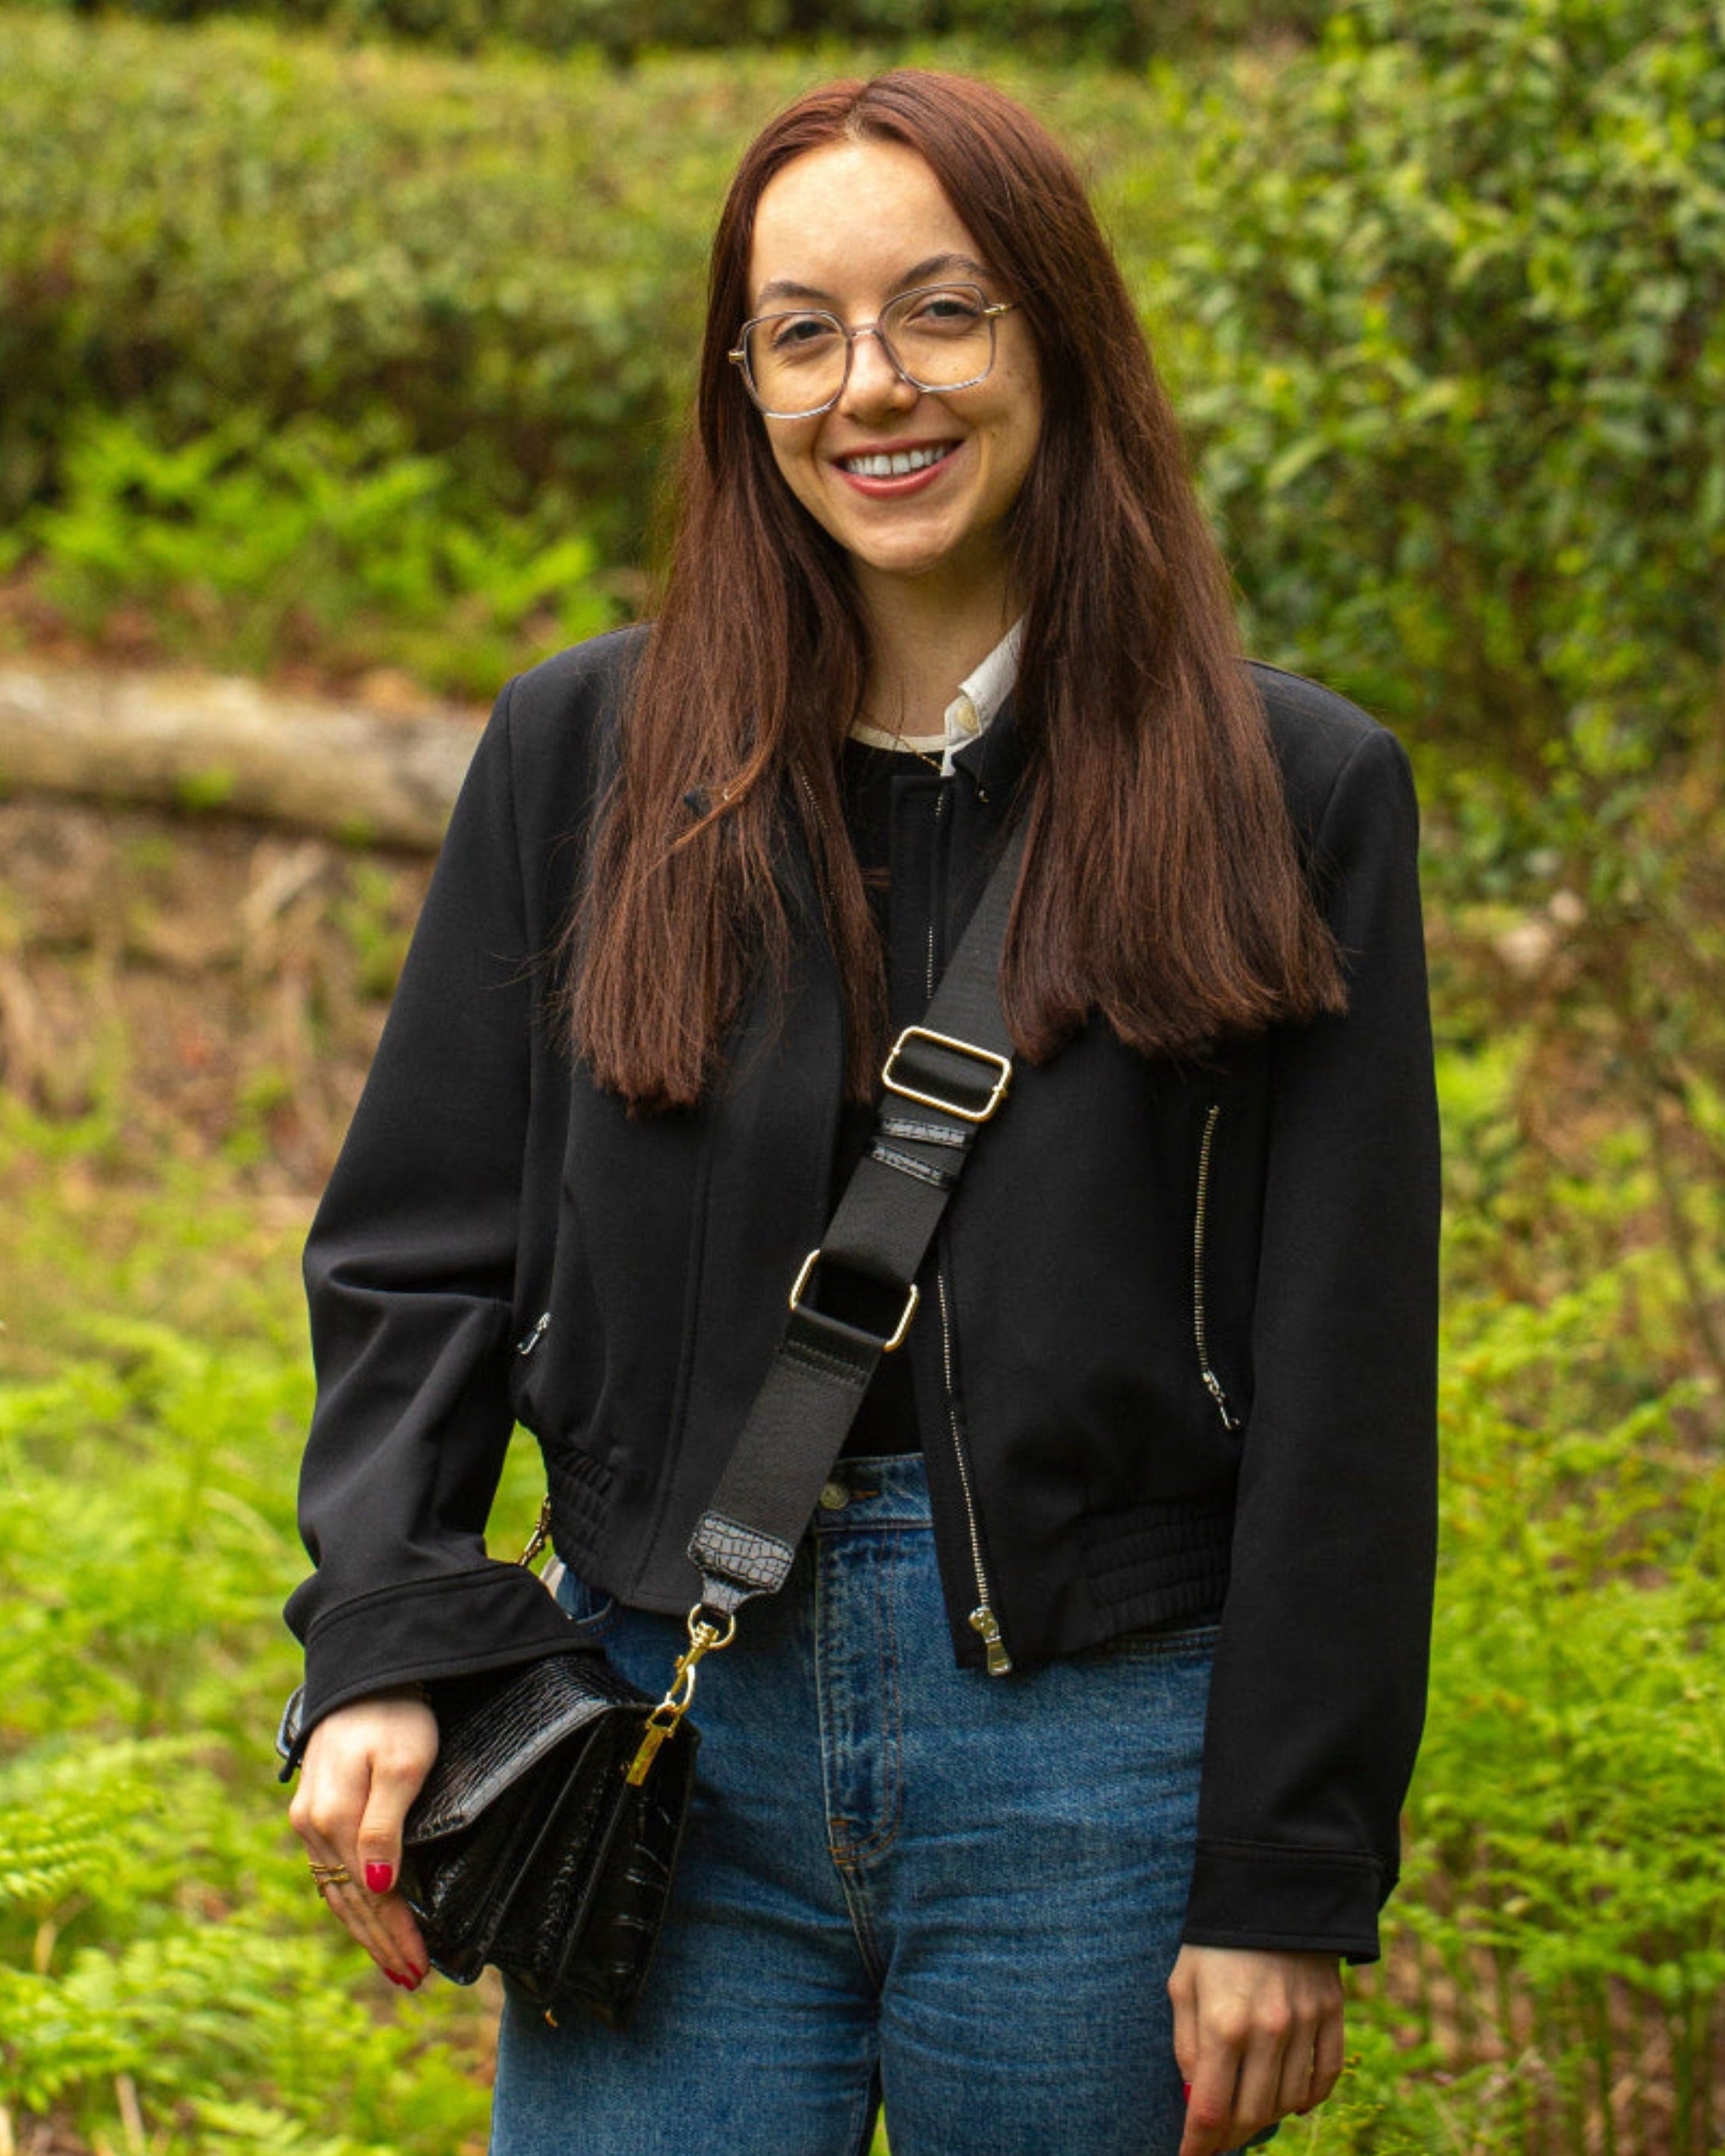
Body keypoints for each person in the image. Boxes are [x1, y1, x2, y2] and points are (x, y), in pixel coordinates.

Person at [282, 68, 1440, 2156]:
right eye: (800, 331)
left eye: (942, 312)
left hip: (1096, 1766)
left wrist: (1286, 1869)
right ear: (744, 385)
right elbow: (418, 1253)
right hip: (660, 1714)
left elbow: (1348, 1381)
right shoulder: (590, 750)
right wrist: (388, 1631)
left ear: (1059, 335)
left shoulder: (1295, 791)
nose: (869, 386)